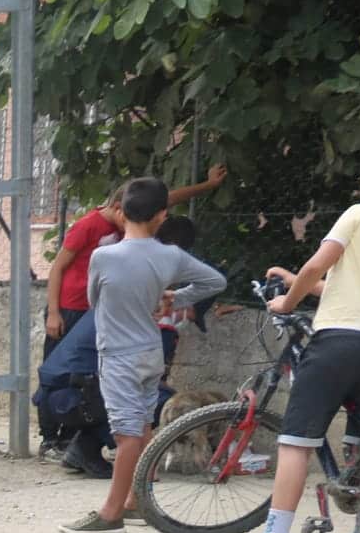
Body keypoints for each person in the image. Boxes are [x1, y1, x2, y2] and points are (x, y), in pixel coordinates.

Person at [58, 178, 224, 533]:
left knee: (127, 437)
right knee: (143, 427)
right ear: (162, 215)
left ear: (121, 210)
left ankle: (110, 513)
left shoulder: (104, 257)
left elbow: (94, 299)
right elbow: (215, 282)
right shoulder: (171, 256)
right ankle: (135, 501)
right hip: (151, 353)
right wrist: (173, 299)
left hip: (118, 356)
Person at [42, 165, 227, 451]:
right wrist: (54, 311)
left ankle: (128, 484)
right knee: (129, 422)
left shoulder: (123, 244)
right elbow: (60, 268)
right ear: (120, 209)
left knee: (132, 419)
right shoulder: (93, 232)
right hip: (78, 312)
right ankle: (55, 440)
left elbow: (163, 200)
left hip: (106, 315)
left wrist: (206, 185)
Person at [232, 200, 360, 533]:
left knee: (296, 443)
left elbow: (316, 265)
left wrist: (287, 301)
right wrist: (299, 284)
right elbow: (349, 288)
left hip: (338, 343)